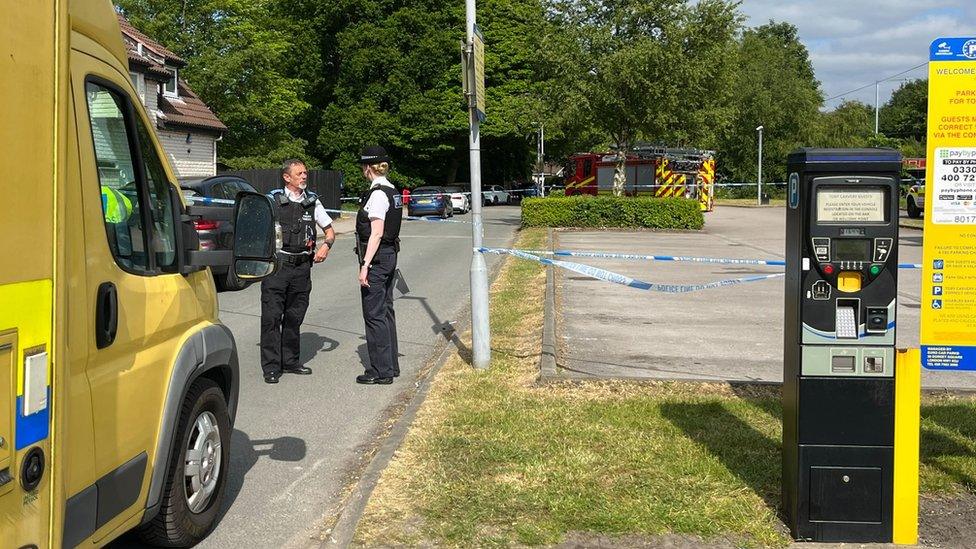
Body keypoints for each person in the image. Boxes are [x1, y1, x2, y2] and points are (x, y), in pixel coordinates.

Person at [260, 158, 336, 384]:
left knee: (294, 317)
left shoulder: (313, 202)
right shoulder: (272, 200)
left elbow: (330, 232)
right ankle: (272, 367)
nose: (304, 176)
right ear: (287, 177)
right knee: (272, 317)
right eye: (299, 173)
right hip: (277, 267)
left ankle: (291, 361)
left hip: (302, 267)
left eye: (305, 173)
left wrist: (326, 246)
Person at [355, 145, 402, 384]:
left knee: (374, 314)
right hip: (389, 256)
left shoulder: (377, 194)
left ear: (367, 168)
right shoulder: (392, 190)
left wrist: (365, 265)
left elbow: (376, 233)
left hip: (378, 258)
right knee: (386, 310)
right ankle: (391, 366)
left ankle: (380, 371)